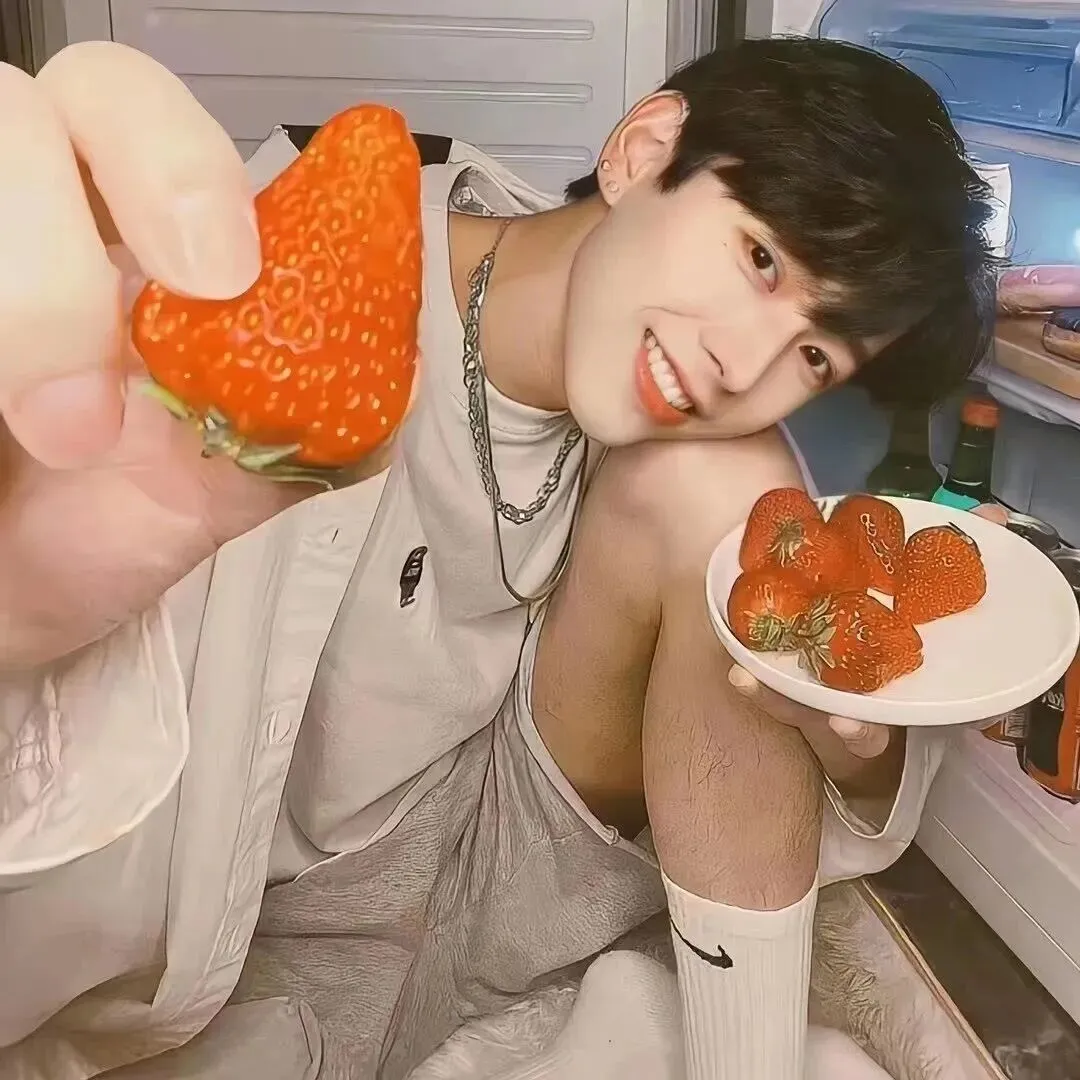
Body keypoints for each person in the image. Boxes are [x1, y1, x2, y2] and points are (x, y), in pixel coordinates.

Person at [0, 34, 1002, 1080]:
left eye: (815, 355)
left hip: (492, 859)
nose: (742, 364)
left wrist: (847, 739)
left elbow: (810, 738)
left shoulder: (699, 445)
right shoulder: (281, 290)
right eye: (761, 261)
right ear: (643, 153)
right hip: (244, 913)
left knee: (732, 491)